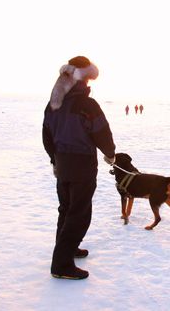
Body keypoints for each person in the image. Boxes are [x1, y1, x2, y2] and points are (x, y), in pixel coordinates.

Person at [42, 56, 116, 280]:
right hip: (81, 163)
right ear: (83, 78)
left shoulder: (54, 104)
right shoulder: (87, 105)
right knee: (79, 213)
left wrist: (55, 159)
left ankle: (67, 250)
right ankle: (62, 264)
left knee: (66, 209)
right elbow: (101, 132)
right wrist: (110, 154)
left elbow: (47, 136)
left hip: (62, 164)